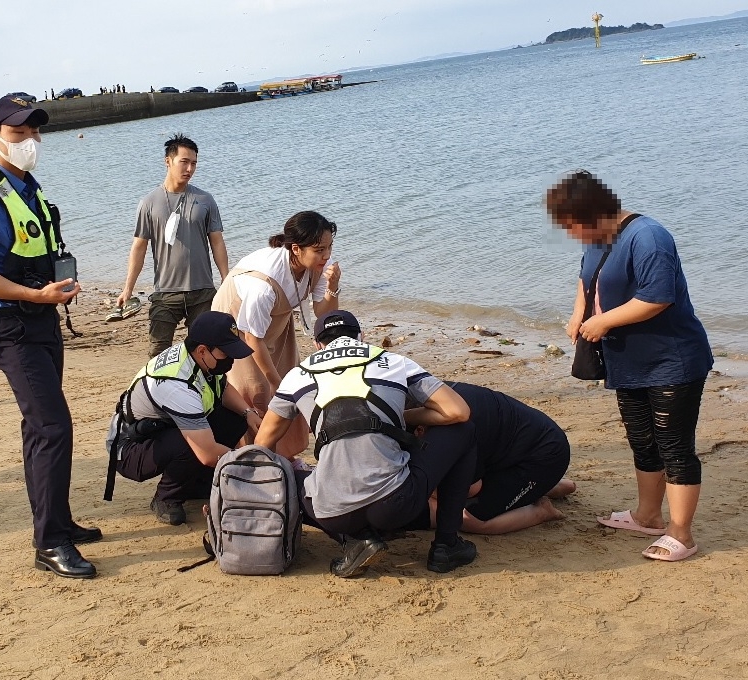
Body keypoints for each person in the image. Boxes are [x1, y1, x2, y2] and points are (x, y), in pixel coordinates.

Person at [0, 95, 100, 579]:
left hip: (40, 320)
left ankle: (57, 521)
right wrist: (33, 296)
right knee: (52, 426)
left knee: (41, 428)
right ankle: (50, 543)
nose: (30, 141)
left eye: (34, 132)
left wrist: (55, 290)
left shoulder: (28, 188)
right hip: (12, 327)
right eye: (18, 133)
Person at [546, 170, 713, 562]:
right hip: (629, 362)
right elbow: (587, 279)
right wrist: (578, 313)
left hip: (671, 360)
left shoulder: (649, 237)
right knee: (642, 440)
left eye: (573, 226)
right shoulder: (598, 237)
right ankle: (648, 515)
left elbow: (657, 297)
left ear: (596, 213)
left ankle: (681, 534)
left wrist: (603, 322)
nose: (572, 235)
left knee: (674, 446)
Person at [255, 310, 478, 578]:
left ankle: (355, 540)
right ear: (361, 337)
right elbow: (458, 412)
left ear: (317, 345)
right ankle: (447, 544)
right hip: (395, 505)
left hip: (334, 513)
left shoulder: (296, 375)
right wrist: (403, 418)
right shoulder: (394, 362)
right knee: (463, 429)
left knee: (291, 476)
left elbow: (262, 446)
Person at [105, 311, 262, 525]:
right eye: (226, 353)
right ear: (203, 351)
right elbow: (206, 453)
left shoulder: (199, 359)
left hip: (160, 431)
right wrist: (251, 463)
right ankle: (166, 498)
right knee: (188, 442)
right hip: (130, 449)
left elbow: (222, 388)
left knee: (235, 419)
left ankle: (196, 482)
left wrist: (248, 413)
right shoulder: (177, 385)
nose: (231, 360)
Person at [211, 211, 341, 457]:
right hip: (237, 322)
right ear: (296, 249)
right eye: (319, 249)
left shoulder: (315, 264)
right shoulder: (262, 286)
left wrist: (332, 289)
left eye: (329, 247)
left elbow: (324, 312)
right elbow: (252, 338)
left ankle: (284, 456)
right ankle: (250, 457)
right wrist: (275, 383)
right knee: (257, 390)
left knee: (293, 380)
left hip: (277, 319)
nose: (326, 255)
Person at [407, 382, 575, 535]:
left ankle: (541, 512)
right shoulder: (440, 396)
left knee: (467, 518)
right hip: (526, 444)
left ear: (420, 430)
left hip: (544, 459)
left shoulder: (451, 432)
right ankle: (548, 487)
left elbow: (470, 488)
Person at [116, 133, 229, 357]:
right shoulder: (149, 202)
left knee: (204, 355)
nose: (189, 169)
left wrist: (227, 280)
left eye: (194, 163)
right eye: (184, 162)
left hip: (202, 292)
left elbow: (217, 242)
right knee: (157, 353)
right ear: (168, 161)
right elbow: (139, 247)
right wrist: (128, 288)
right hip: (166, 293)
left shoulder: (205, 200)